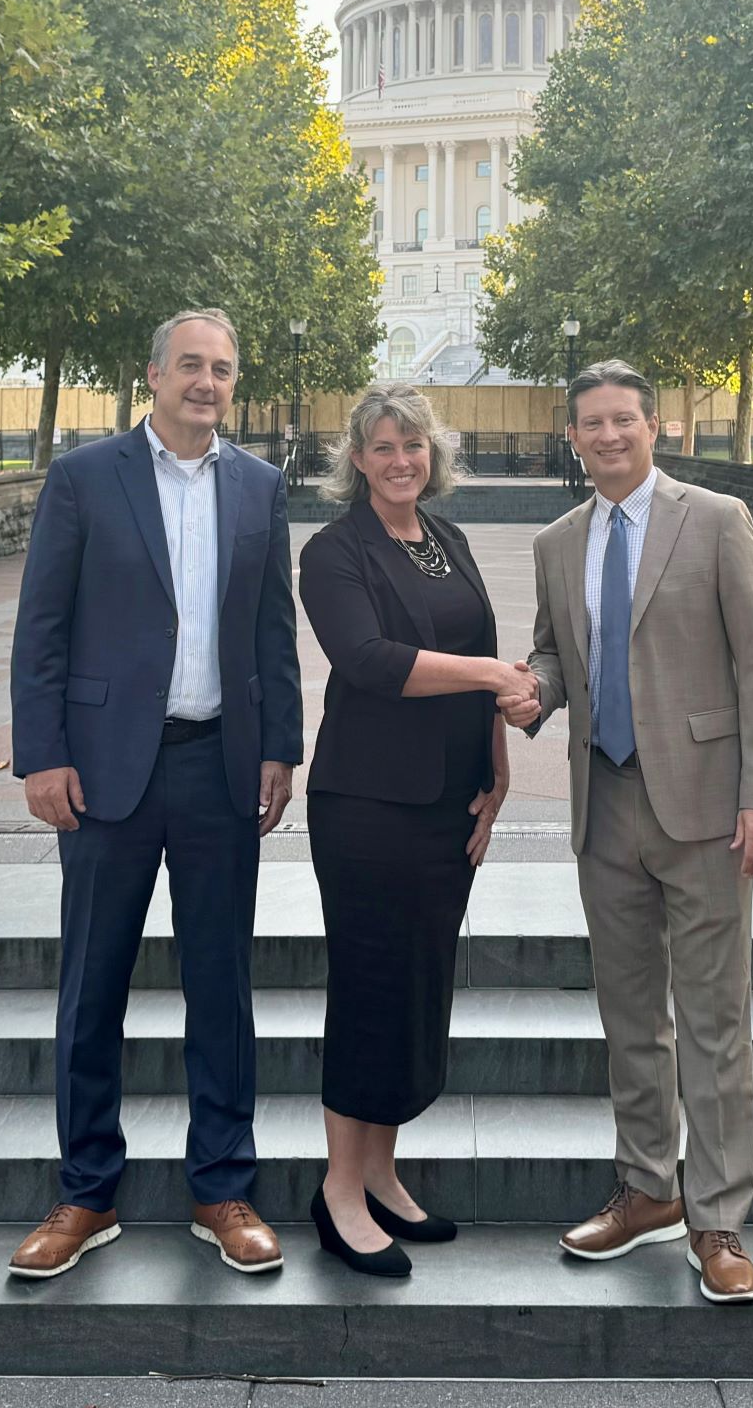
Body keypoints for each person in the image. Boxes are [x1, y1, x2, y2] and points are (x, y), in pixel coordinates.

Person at [7, 309, 302, 1281]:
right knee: (93, 981)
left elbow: (271, 631)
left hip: (221, 765)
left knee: (222, 982)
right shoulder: (85, 477)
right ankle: (86, 1191)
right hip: (103, 770)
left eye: (222, 367)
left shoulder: (260, 486)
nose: (206, 382)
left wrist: (280, 750)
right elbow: (42, 627)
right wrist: (41, 754)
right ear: (154, 374)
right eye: (190, 365)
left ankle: (222, 1186)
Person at [499, 359, 753, 1304]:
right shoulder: (556, 541)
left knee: (713, 1019)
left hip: (707, 804)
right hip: (606, 802)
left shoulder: (714, 521)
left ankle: (718, 1221)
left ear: (653, 426)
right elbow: (556, 648)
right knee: (630, 1015)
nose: (608, 436)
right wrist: (533, 690)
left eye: (623, 420)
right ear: (573, 435)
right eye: (591, 423)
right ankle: (645, 1189)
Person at [298, 383, 515, 1278]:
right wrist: (497, 674)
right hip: (369, 809)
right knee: (372, 988)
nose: (400, 461)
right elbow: (370, 662)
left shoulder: (447, 539)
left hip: (447, 805)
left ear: (435, 456)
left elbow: (476, 671)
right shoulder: (333, 552)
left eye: (414, 446)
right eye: (383, 448)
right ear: (356, 460)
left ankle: (382, 1173)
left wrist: (498, 774)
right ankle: (339, 1191)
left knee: (419, 985)